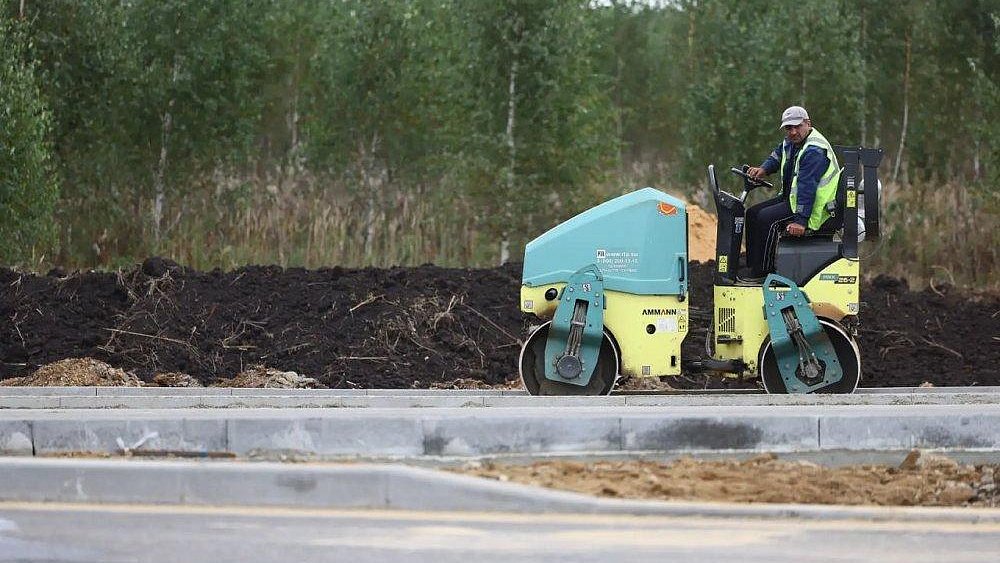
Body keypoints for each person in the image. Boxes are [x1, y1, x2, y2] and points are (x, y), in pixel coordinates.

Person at [740, 105, 842, 283]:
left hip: (813, 208)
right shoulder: (792, 142)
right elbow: (778, 155)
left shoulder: (814, 151)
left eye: (797, 126)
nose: (793, 132)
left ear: (808, 124)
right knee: (752, 214)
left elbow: (806, 187)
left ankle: (763, 273)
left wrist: (801, 220)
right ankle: (752, 266)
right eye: (789, 128)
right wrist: (764, 169)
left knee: (766, 220)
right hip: (793, 200)